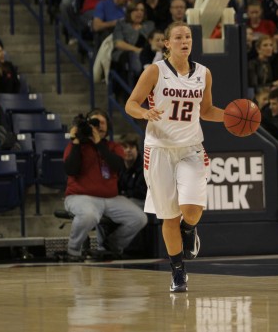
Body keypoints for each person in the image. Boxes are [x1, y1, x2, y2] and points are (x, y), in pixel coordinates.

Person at [125, 21, 225, 293]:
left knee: (192, 210)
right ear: (167, 43)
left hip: (191, 147)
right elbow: (131, 104)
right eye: (178, 37)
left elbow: (206, 110)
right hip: (158, 149)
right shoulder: (155, 71)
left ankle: (189, 229)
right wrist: (144, 113)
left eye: (188, 36)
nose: (185, 40)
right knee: (169, 217)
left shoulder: (204, 73)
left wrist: (230, 117)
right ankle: (178, 271)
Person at [63, 109, 147, 262]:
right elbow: (71, 170)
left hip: (111, 198)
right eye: (95, 122)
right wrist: (76, 141)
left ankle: (111, 246)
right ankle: (73, 251)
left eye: (102, 123)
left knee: (139, 218)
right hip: (80, 196)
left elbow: (118, 166)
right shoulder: (76, 146)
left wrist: (98, 143)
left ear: (108, 127)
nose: (99, 126)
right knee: (90, 215)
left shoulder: (113, 147)